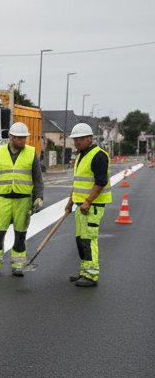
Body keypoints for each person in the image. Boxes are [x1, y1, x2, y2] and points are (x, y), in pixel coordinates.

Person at [0, 121, 44, 277]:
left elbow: (38, 178)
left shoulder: (31, 153)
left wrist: (39, 197)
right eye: (19, 138)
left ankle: (18, 265)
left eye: (24, 138)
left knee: (20, 233)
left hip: (23, 200)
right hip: (3, 199)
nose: (23, 141)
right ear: (11, 137)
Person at [64, 122, 110, 287]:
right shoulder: (81, 156)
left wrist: (88, 201)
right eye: (75, 140)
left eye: (80, 139)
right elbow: (78, 184)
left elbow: (100, 182)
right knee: (81, 240)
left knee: (89, 240)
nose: (77, 142)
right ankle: (85, 271)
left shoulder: (99, 155)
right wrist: (70, 202)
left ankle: (91, 275)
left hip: (92, 206)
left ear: (89, 138)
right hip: (81, 206)